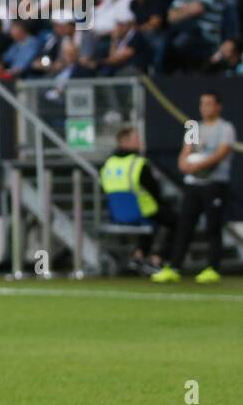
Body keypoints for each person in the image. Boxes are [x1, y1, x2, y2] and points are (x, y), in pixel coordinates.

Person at [153, 92, 237, 284]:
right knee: (184, 225)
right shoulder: (194, 127)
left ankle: (212, 268)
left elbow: (221, 153)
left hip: (215, 183)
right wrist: (184, 165)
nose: (205, 107)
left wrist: (200, 165)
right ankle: (174, 267)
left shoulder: (225, 128)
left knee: (213, 226)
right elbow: (185, 152)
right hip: (194, 184)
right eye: (202, 104)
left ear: (218, 107)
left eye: (209, 104)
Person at [101, 126, 171, 273]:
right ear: (125, 141)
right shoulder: (138, 163)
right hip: (142, 210)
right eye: (136, 138)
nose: (139, 141)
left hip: (117, 214)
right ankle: (157, 259)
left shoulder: (108, 164)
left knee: (150, 219)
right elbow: (154, 189)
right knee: (175, 220)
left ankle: (139, 256)